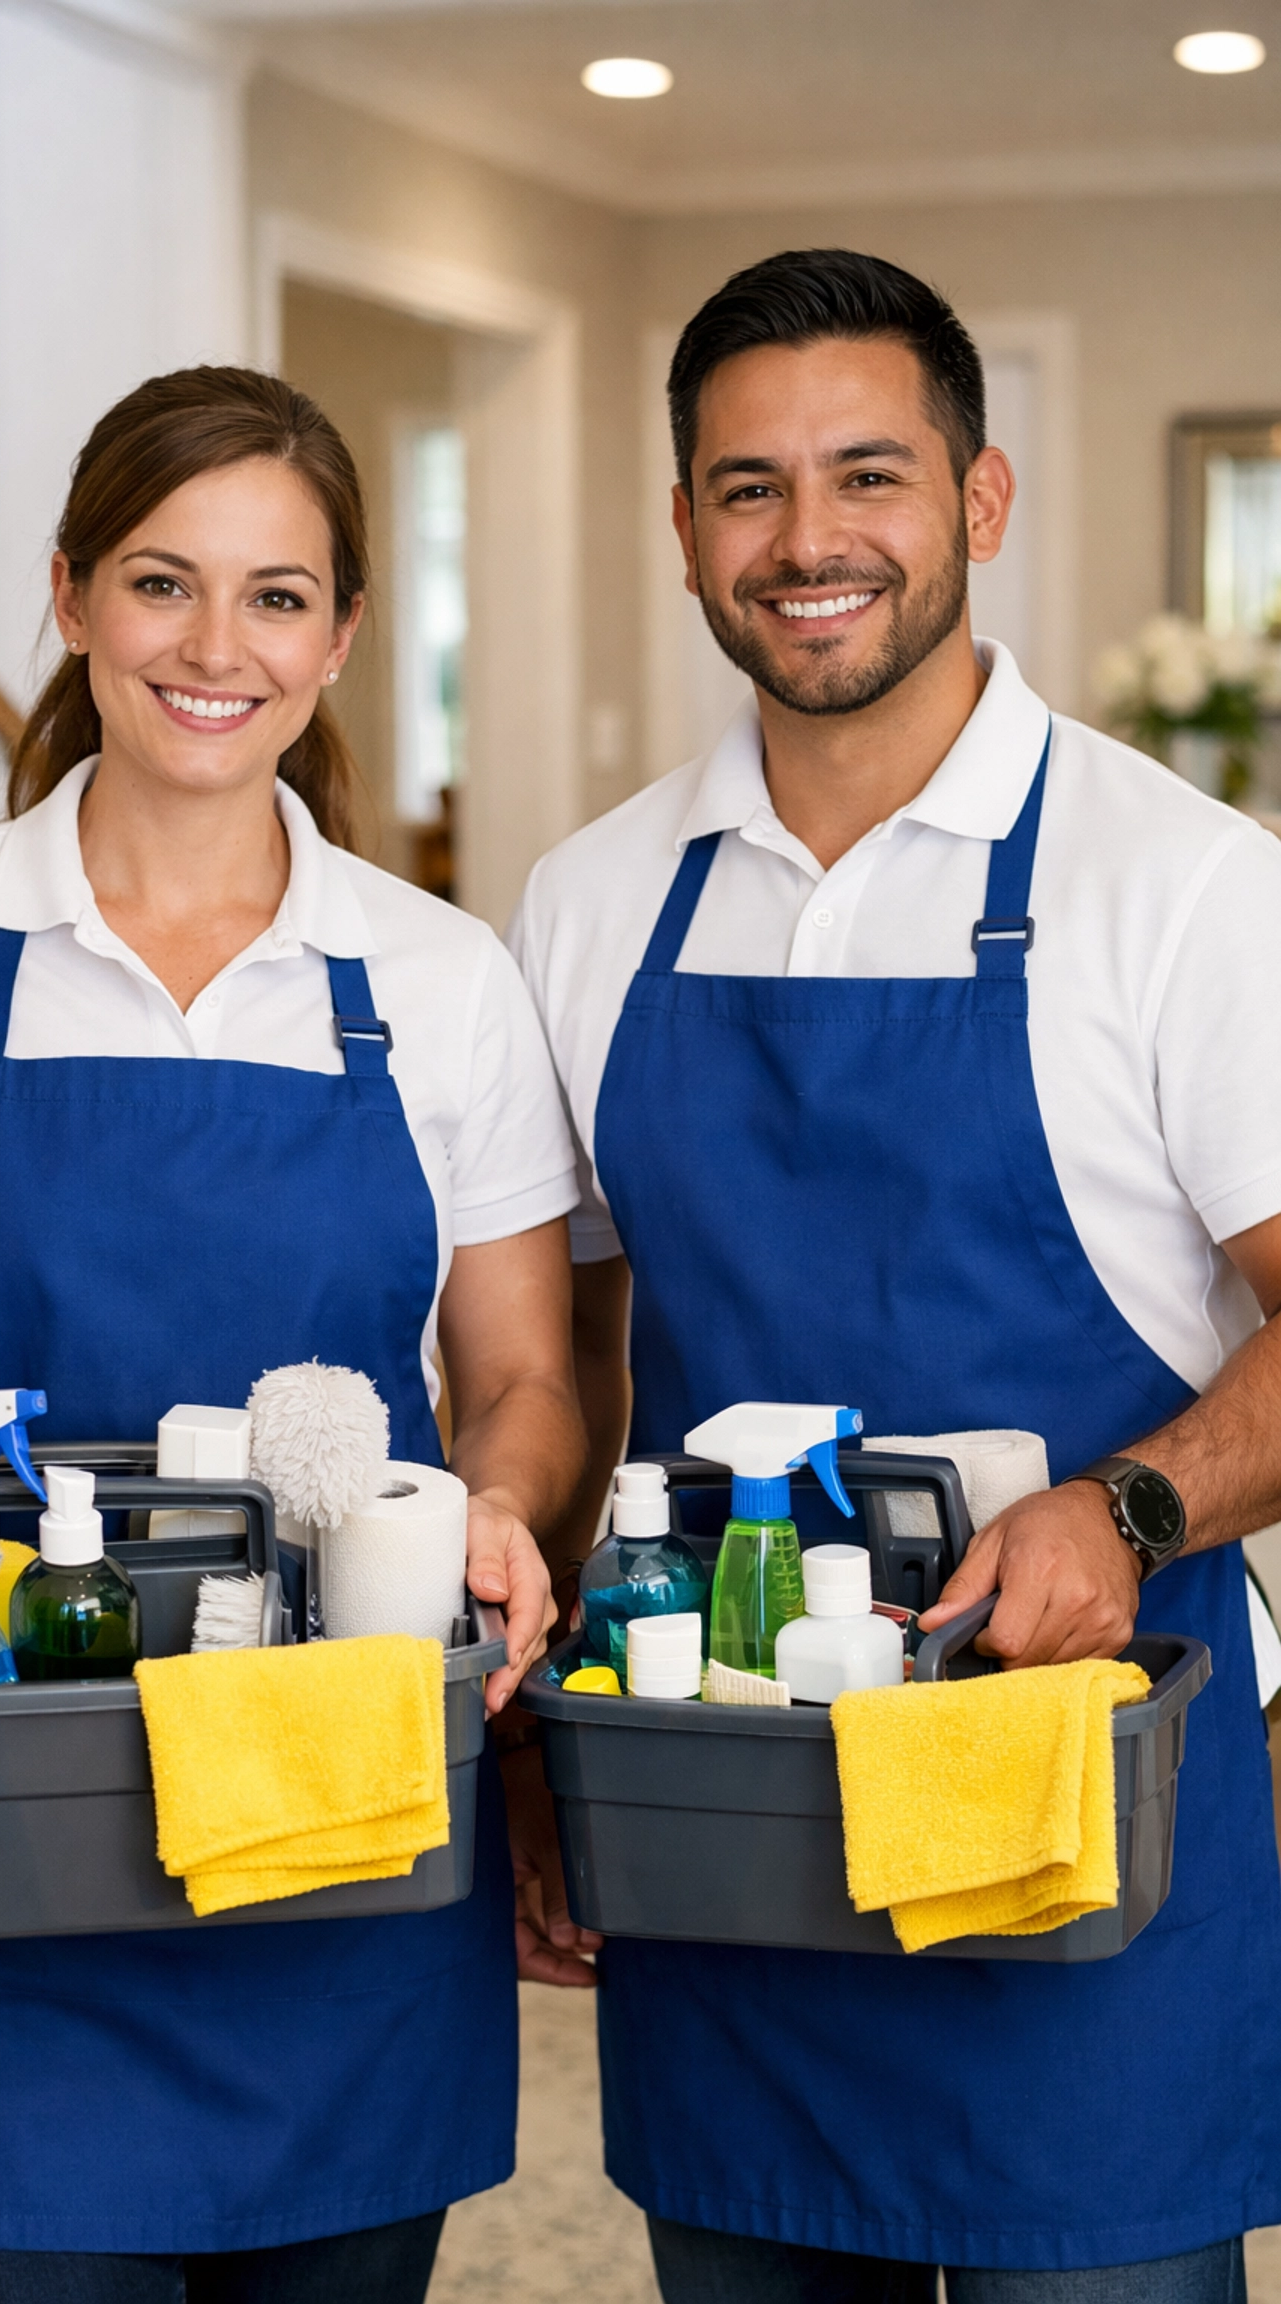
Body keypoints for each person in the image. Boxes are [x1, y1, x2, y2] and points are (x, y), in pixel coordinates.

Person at [0, 365, 587, 2304]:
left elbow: (527, 1380)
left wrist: (503, 1512)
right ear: (70, 596)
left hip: (341, 1799)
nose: (219, 647)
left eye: (279, 596)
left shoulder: (440, 982)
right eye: (162, 582)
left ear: (347, 634)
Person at [509, 250, 1281, 2300]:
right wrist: (539, 1746)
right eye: (746, 487)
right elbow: (572, 1363)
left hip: (1083, 1795)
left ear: (981, 499)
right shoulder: (589, 905)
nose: (809, 538)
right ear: (682, 529)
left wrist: (1131, 1505)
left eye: (870, 473)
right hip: (729, 1799)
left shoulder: (1180, 888)